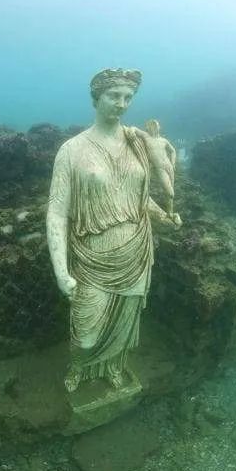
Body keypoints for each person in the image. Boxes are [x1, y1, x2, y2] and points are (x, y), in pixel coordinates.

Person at [46, 68, 182, 393]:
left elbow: (137, 195)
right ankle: (79, 365)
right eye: (113, 96)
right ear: (96, 98)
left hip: (135, 250)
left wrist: (163, 216)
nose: (121, 104)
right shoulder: (72, 150)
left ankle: (113, 366)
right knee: (86, 333)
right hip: (93, 256)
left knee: (123, 326)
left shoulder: (137, 142)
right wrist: (61, 270)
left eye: (128, 98)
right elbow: (56, 212)